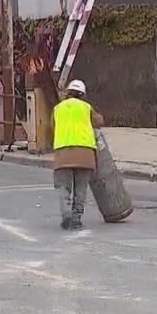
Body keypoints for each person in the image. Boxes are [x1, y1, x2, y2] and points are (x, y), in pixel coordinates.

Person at [51, 79, 105, 230]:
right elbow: (99, 121)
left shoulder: (57, 108)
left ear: (68, 93)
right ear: (83, 94)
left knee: (64, 187)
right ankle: (76, 218)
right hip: (85, 154)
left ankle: (66, 214)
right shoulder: (86, 107)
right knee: (81, 189)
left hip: (63, 153)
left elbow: (52, 127)